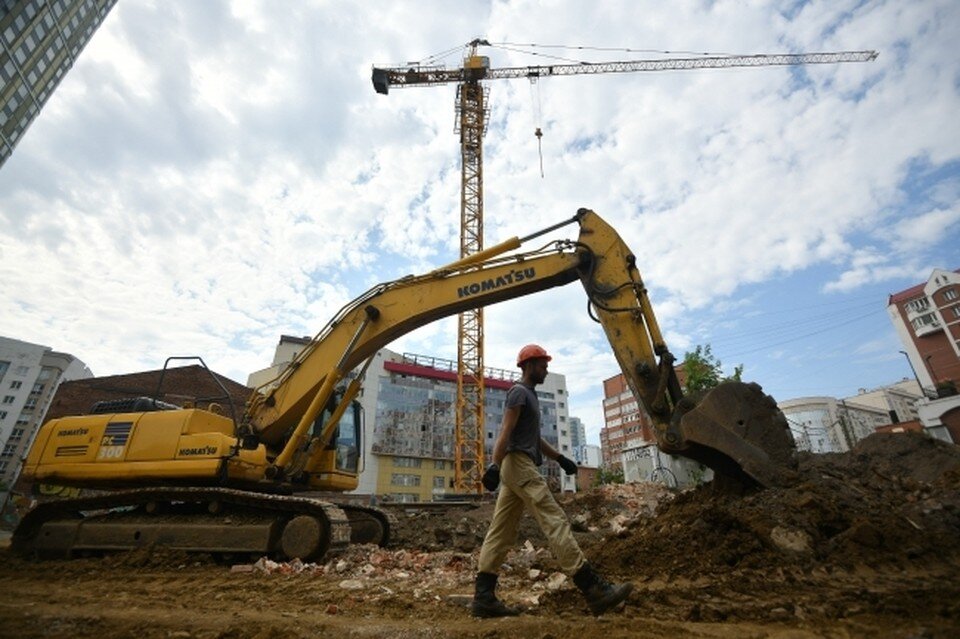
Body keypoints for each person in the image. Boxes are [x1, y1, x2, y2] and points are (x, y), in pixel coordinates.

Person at [471, 344, 634, 618]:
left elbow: (533, 438)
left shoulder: (530, 396)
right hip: (518, 465)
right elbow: (506, 431)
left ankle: (483, 597)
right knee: (554, 519)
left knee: (501, 531)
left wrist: (559, 458)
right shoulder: (519, 392)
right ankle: (593, 589)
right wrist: (494, 465)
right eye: (542, 365)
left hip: (516, 466)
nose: (546, 369)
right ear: (529, 365)